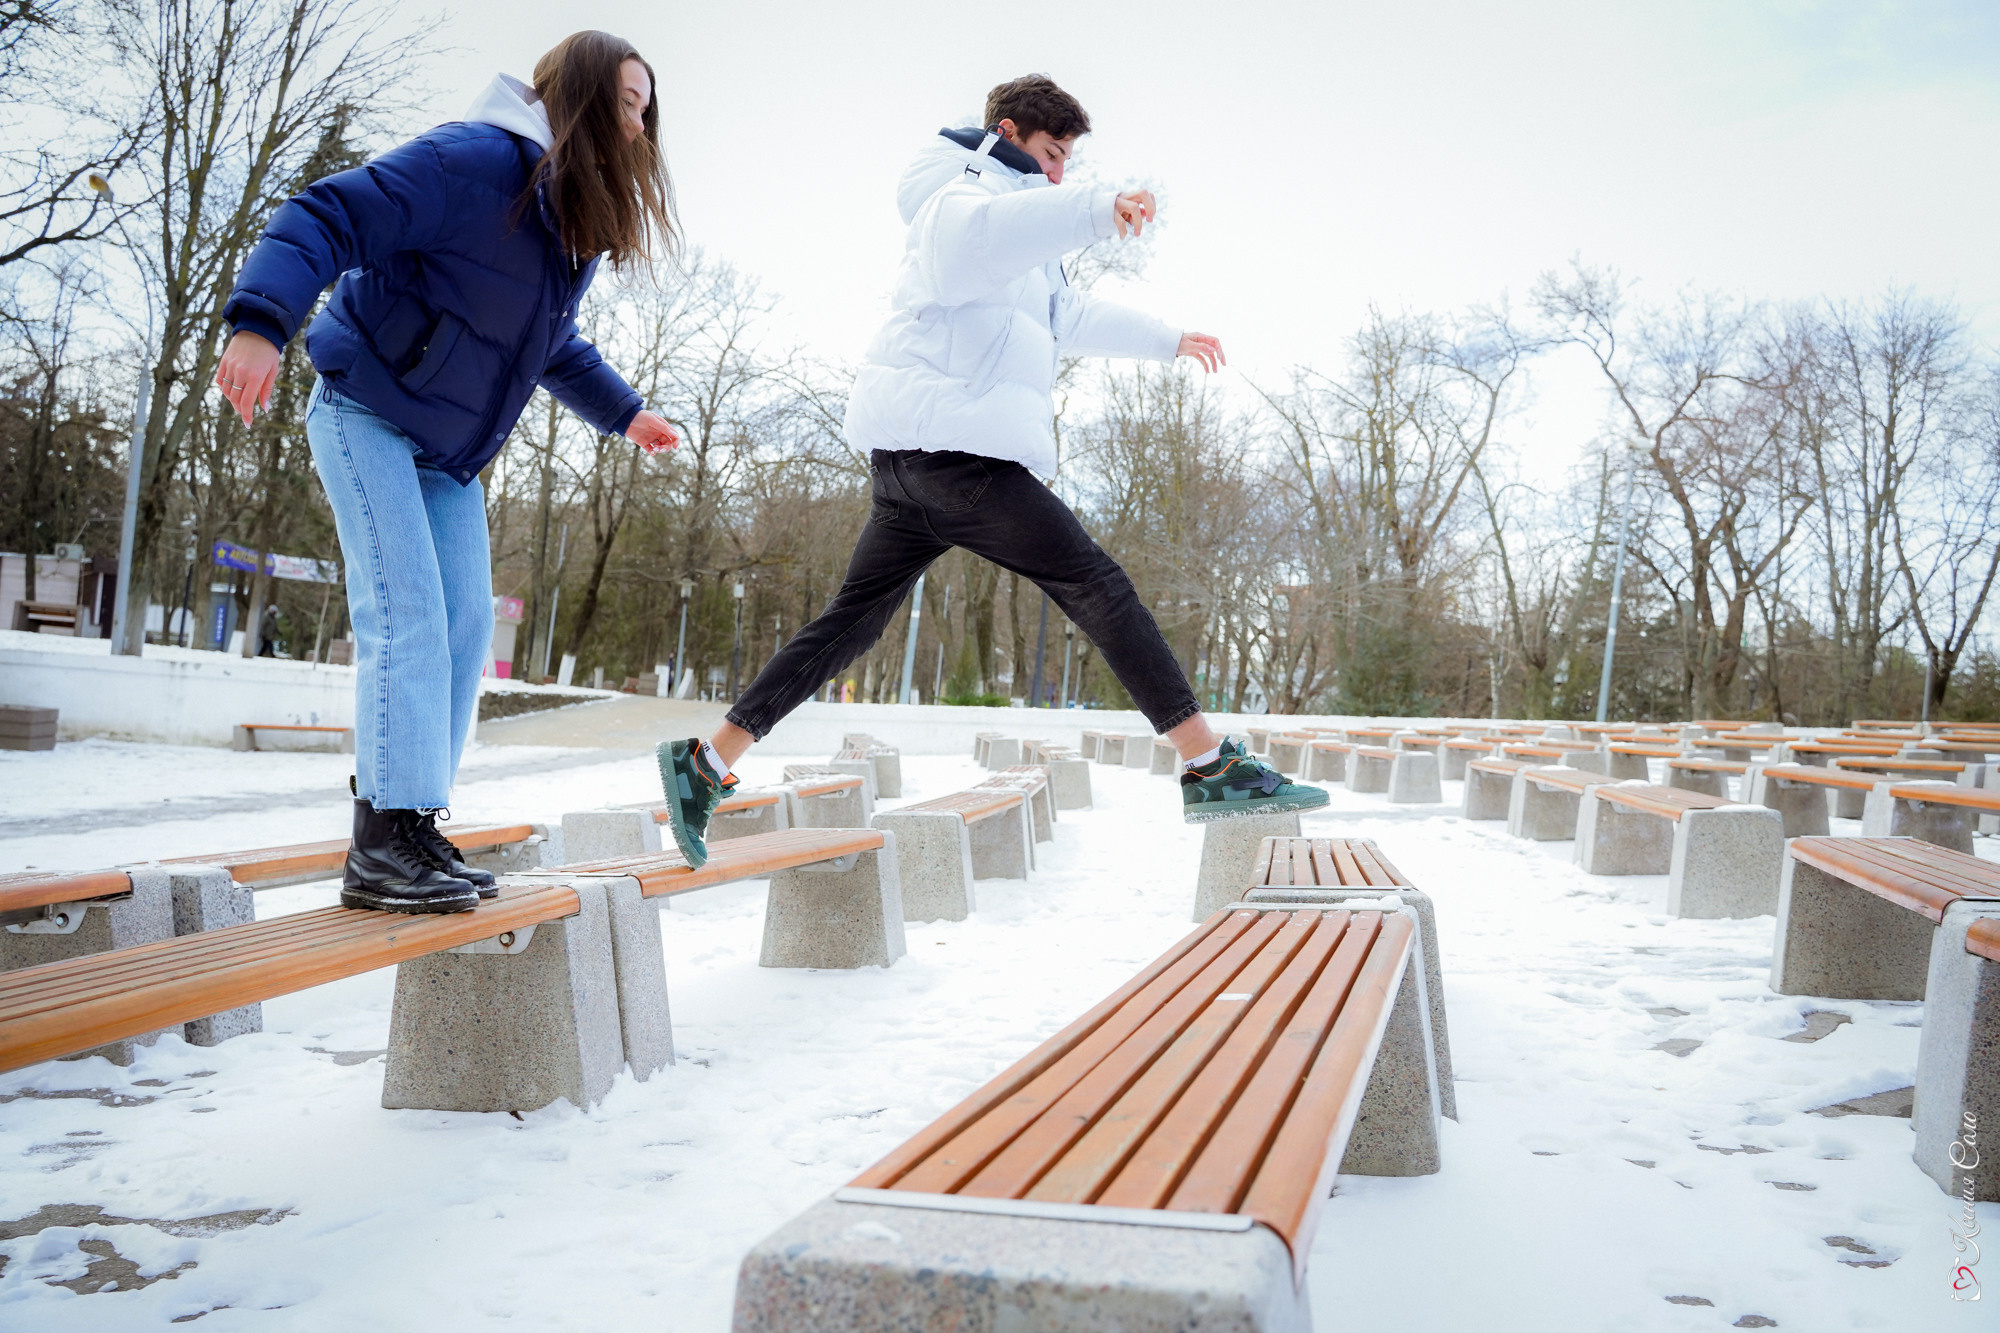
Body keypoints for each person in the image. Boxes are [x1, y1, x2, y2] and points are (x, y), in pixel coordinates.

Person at [657, 74, 1327, 869]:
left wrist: (1168, 339)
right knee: (1096, 584)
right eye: (1051, 154)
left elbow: (1063, 315)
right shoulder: (963, 194)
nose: (1059, 174)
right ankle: (1208, 764)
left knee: (851, 622)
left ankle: (707, 759)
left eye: (1069, 162)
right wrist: (1095, 208)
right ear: (1007, 134)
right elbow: (986, 235)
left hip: (911, 469)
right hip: (960, 461)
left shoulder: (1015, 225)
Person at [216, 31, 681, 913]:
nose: (637, 126)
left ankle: (414, 822)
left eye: (645, 112)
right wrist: (260, 323)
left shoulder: (565, 221)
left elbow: (547, 343)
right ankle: (381, 843)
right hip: (364, 410)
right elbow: (329, 213)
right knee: (409, 618)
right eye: (627, 103)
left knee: (467, 629)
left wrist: (625, 412)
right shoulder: (472, 163)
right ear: (581, 95)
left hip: (446, 453)